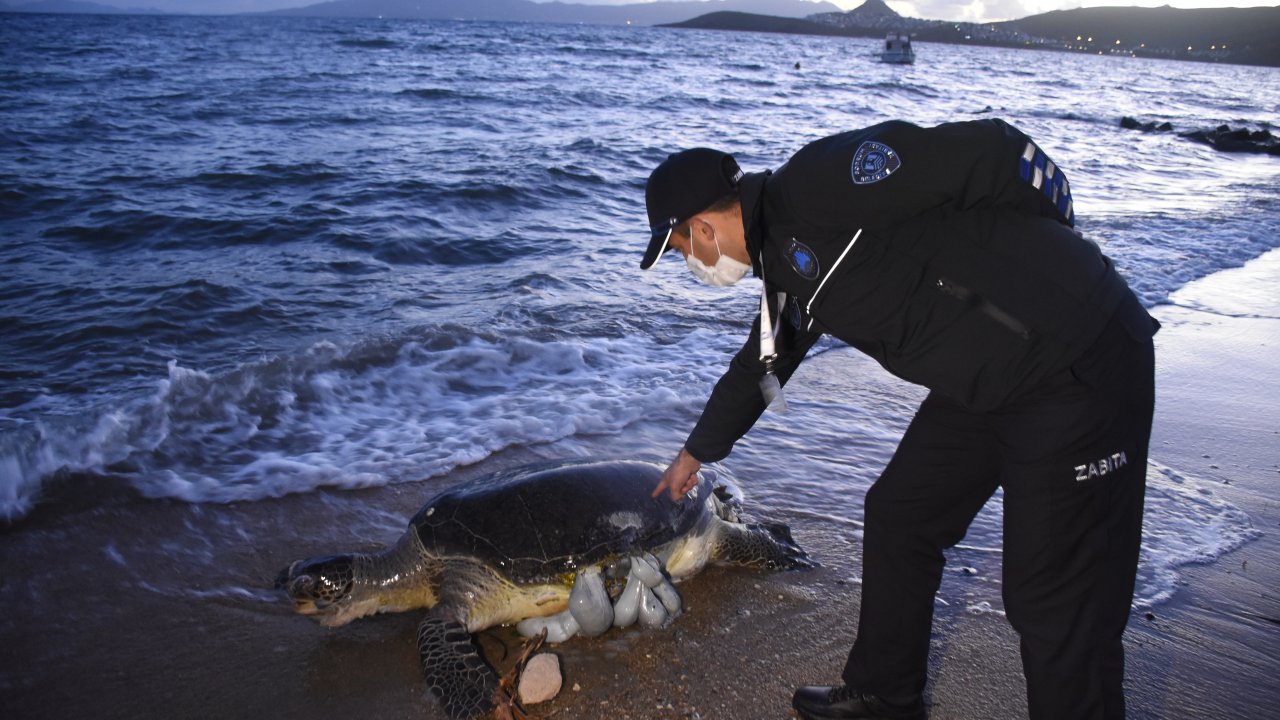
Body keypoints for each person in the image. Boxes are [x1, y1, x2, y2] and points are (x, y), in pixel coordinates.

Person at [639, 119, 1157, 720]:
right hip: (988, 380)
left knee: (1055, 600)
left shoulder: (818, 183)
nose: (690, 261)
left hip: (1076, 357)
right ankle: (887, 694)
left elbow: (989, 149)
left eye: (681, 249)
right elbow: (761, 364)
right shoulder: (783, 266)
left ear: (702, 228)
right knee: (900, 515)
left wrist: (1050, 245)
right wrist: (695, 454)